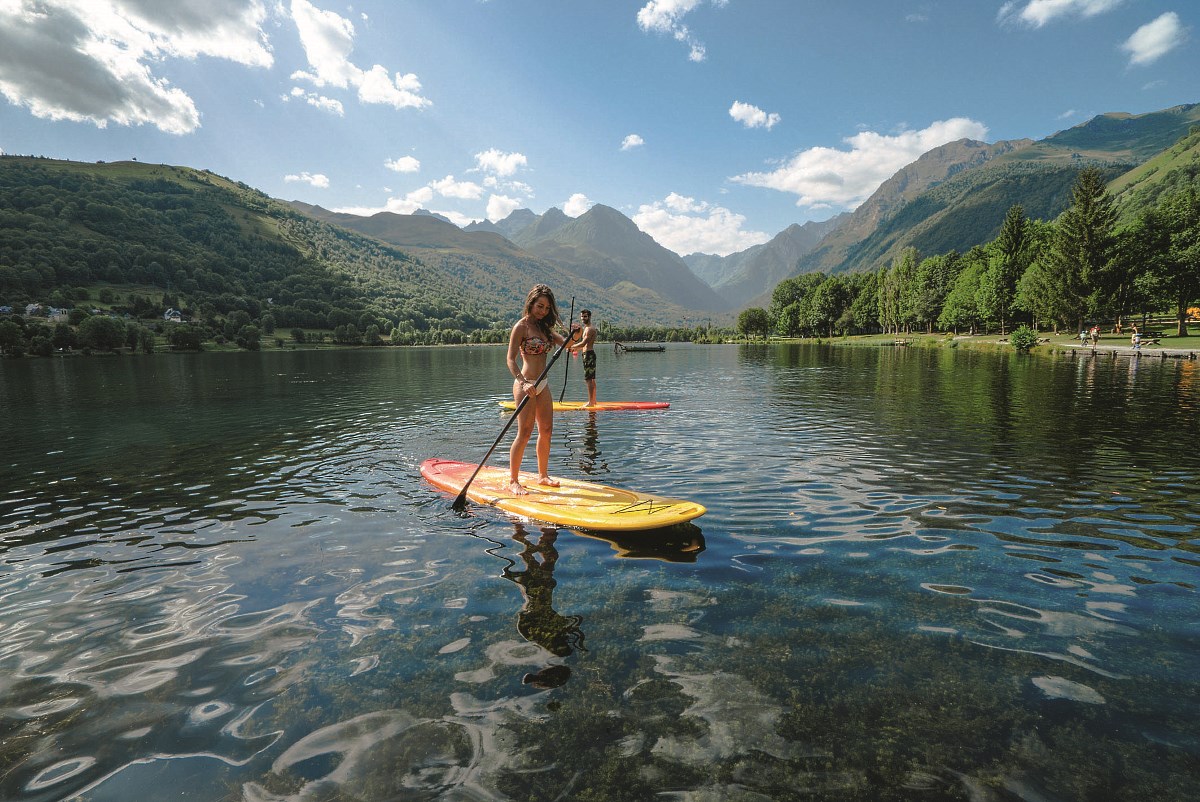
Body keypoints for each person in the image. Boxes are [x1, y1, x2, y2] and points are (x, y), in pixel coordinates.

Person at [507, 284, 576, 495]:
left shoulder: (545, 328)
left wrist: (574, 336)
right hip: (525, 384)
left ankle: (543, 476)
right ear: (531, 303)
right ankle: (513, 480)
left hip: (543, 385)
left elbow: (569, 346)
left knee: (546, 431)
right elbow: (510, 359)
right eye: (540, 306)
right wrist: (523, 382)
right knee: (525, 433)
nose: (543, 311)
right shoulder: (521, 327)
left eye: (547, 308)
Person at [570, 308, 599, 408]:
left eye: (585, 316)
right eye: (582, 316)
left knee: (589, 379)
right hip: (587, 354)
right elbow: (583, 346)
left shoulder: (590, 329)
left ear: (589, 317)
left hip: (589, 355)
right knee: (591, 379)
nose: (583, 318)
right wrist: (575, 349)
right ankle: (594, 401)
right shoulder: (587, 328)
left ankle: (591, 402)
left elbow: (583, 343)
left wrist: (571, 346)